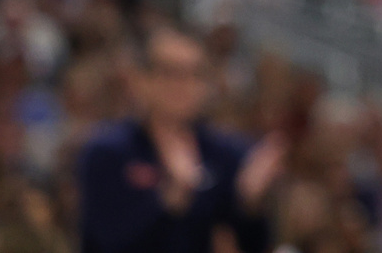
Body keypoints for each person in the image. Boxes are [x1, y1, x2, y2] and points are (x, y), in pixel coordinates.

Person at [75, 24, 287, 253]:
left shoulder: (229, 154)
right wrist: (170, 201)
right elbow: (104, 242)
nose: (183, 86)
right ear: (141, 79)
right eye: (170, 73)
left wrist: (250, 203)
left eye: (195, 74)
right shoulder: (107, 151)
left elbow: (252, 244)